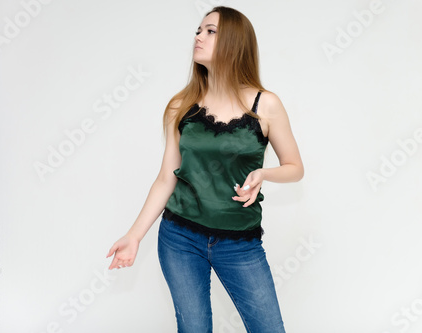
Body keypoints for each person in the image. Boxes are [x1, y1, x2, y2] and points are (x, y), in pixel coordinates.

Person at [106, 6, 303, 333]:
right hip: (179, 237)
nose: (198, 36)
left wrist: (263, 174)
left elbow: (295, 168)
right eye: (199, 30)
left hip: (239, 242)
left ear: (234, 42)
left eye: (210, 31)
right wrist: (134, 235)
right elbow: (166, 177)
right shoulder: (181, 106)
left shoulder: (265, 105)